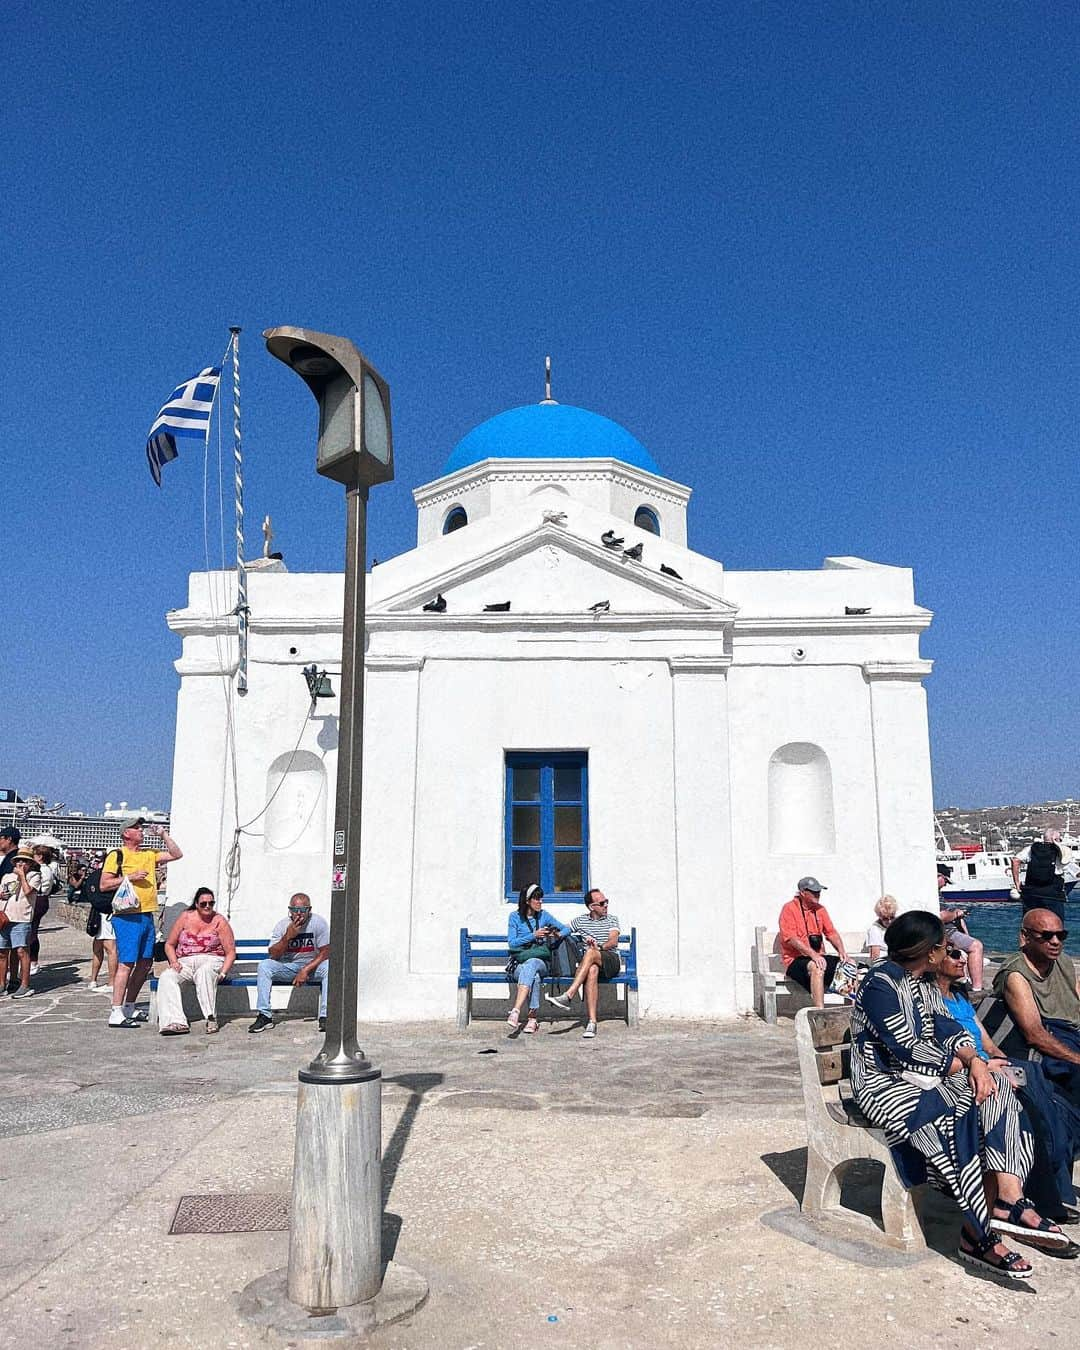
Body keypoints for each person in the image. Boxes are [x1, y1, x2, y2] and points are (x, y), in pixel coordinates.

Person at [852, 910, 1068, 1278]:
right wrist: (967, 1066)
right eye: (945, 945)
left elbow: (946, 1025)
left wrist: (974, 1058)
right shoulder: (880, 984)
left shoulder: (919, 982)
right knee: (964, 1113)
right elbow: (905, 1048)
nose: (950, 950)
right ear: (929, 950)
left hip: (924, 1077)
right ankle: (979, 1235)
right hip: (884, 1083)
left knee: (995, 1092)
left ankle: (1008, 1200)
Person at [935, 941, 1080, 1229]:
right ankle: (1046, 1198)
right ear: (933, 958)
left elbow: (987, 1042)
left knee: (1052, 1100)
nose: (963, 959)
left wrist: (1005, 1063)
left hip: (990, 1065)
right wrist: (989, 1066)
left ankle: (1052, 1190)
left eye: (962, 954)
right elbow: (944, 1052)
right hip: (967, 1073)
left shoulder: (960, 996)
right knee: (1032, 1108)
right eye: (953, 954)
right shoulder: (931, 1001)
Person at [99, 817, 183, 1028]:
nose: (141, 831)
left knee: (145, 963)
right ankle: (116, 1011)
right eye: (137, 828)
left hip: (146, 914)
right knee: (126, 963)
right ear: (126, 833)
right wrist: (130, 877)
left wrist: (163, 834)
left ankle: (129, 1005)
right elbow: (104, 884)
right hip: (127, 915)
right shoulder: (117, 855)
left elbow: (176, 854)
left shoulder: (149, 854)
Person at [992, 908, 1080, 1109]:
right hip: (1048, 1038)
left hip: (1071, 1032)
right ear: (1025, 936)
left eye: (1061, 935)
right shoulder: (1016, 974)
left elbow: (1075, 1003)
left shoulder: (1063, 961)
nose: (1056, 941)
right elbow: (1035, 1034)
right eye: (1047, 936)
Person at [157, 887, 236, 1035]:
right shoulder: (185, 917)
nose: (208, 907)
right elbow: (169, 944)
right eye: (203, 904)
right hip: (185, 961)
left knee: (204, 972)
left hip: (211, 959)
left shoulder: (219, 921)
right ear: (196, 904)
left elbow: (230, 951)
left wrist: (224, 972)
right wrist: (174, 962)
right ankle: (175, 1021)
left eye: (211, 903)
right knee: (167, 977)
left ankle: (211, 1017)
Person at [546, 887, 622, 1039]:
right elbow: (563, 931)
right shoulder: (581, 921)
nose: (606, 905)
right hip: (593, 962)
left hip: (611, 960)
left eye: (606, 902)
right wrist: (552, 931)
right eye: (601, 903)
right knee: (592, 970)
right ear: (591, 907)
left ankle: (569, 994)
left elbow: (613, 941)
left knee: (591, 953)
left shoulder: (612, 919)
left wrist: (598, 948)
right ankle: (592, 1022)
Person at [249, 893, 330, 1034]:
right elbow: (273, 955)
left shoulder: (318, 923)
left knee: (329, 967)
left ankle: (326, 1016)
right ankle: (265, 1015)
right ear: (289, 910)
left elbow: (326, 952)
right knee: (264, 966)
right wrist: (287, 937)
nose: (298, 914)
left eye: (303, 910)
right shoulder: (282, 925)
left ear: (309, 910)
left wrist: (305, 970)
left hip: (313, 967)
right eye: (294, 910)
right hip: (290, 967)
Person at [506, 883, 571, 1034]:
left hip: (542, 962)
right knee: (532, 974)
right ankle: (532, 1019)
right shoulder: (514, 917)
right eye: (537, 899)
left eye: (541, 899)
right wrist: (533, 935)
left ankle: (516, 1010)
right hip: (518, 964)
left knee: (533, 963)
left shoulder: (544, 915)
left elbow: (566, 929)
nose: (540, 902)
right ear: (527, 901)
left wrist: (557, 934)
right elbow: (512, 943)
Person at [777, 877, 848, 1009]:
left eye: (819, 891)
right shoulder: (789, 909)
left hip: (818, 957)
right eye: (814, 892)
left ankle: (850, 1011)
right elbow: (791, 938)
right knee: (818, 968)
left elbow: (831, 933)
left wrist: (842, 951)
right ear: (803, 892)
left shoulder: (820, 909)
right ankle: (820, 1013)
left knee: (848, 966)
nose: (818, 894)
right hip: (795, 960)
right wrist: (813, 955)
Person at [0, 848, 42, 999]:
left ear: (30, 863)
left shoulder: (34, 876)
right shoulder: (6, 877)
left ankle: (25, 984)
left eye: (24, 861)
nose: (20, 863)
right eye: (18, 860)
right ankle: (2, 983)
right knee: (2, 951)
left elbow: (28, 891)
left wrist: (22, 875)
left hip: (22, 918)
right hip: (5, 918)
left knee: (21, 951)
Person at [937, 865, 984, 993]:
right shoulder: (933, 893)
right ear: (938, 876)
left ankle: (968, 981)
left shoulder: (936, 893)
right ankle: (977, 989)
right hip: (944, 931)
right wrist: (956, 914)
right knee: (976, 946)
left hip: (945, 930)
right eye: (945, 880)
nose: (946, 884)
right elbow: (940, 916)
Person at [1012, 831, 1069, 923]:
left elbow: (1015, 861)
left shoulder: (1032, 848)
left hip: (1031, 895)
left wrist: (1017, 883)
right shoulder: (1060, 852)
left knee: (1030, 925)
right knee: (1055, 925)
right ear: (1055, 840)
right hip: (1052, 896)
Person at [27, 838, 61, 976]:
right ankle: (32, 961)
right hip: (41, 899)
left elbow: (39, 887)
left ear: (40, 856)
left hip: (38, 900)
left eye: (34, 855)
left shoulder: (42, 870)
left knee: (32, 931)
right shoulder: (45, 869)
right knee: (31, 931)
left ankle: (33, 962)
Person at [865, 895, 898, 961]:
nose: (889, 921)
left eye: (892, 917)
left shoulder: (898, 925)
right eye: (885, 918)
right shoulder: (875, 930)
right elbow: (875, 957)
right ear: (879, 916)